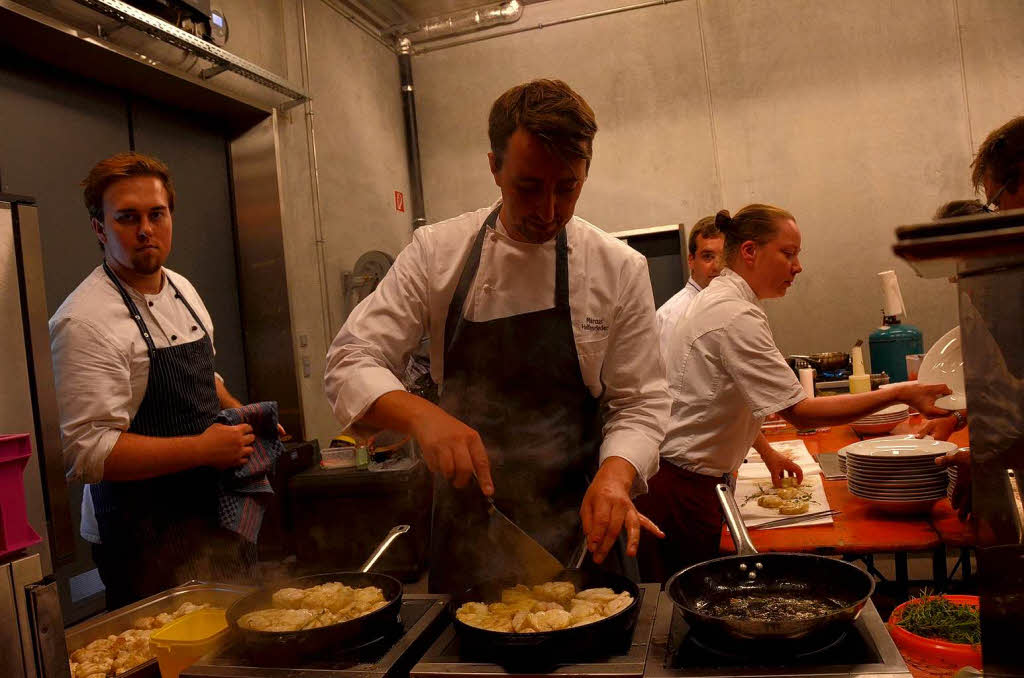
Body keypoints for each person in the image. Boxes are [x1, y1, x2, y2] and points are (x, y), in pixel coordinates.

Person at [324, 79, 670, 593]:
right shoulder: (436, 252)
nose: (549, 211)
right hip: (470, 529)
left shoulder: (617, 268)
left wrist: (618, 474)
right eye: (529, 187)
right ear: (494, 167)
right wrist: (425, 416)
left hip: (585, 523)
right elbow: (350, 359)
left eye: (568, 187)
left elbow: (639, 401)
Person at [636, 204, 952, 582]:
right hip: (682, 489)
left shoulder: (723, 300)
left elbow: (721, 397)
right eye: (788, 253)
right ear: (750, 252)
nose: (797, 266)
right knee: (683, 606)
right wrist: (902, 392)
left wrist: (766, 452)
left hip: (685, 479)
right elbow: (801, 412)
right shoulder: (734, 313)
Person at [50, 152, 259, 607]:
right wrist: (203, 448)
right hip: (141, 531)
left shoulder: (183, 289)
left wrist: (239, 412)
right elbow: (88, 452)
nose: (145, 229)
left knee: (240, 633)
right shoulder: (83, 321)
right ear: (100, 228)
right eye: (127, 217)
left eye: (156, 214)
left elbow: (206, 377)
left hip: (209, 510)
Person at [655, 216, 723, 360]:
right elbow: (670, 378)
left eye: (724, 257)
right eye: (708, 256)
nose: (718, 266)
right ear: (691, 261)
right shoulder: (673, 316)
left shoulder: (730, 305)